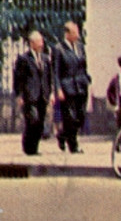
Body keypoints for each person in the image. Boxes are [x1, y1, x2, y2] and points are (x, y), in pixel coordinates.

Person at [12, 31, 53, 157]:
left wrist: (51, 93)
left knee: (39, 122)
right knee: (32, 120)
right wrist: (19, 95)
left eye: (42, 41)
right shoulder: (24, 59)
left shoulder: (45, 59)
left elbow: (49, 77)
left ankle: (34, 148)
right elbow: (18, 78)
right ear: (32, 43)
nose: (41, 44)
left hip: (42, 95)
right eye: (39, 41)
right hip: (29, 96)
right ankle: (27, 146)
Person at [52, 21, 90, 154]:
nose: (78, 36)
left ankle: (62, 135)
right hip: (67, 87)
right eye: (74, 33)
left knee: (81, 116)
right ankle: (73, 146)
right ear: (67, 34)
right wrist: (58, 89)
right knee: (70, 118)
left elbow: (84, 65)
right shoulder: (58, 48)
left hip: (81, 85)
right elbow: (55, 71)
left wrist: (87, 79)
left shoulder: (80, 46)